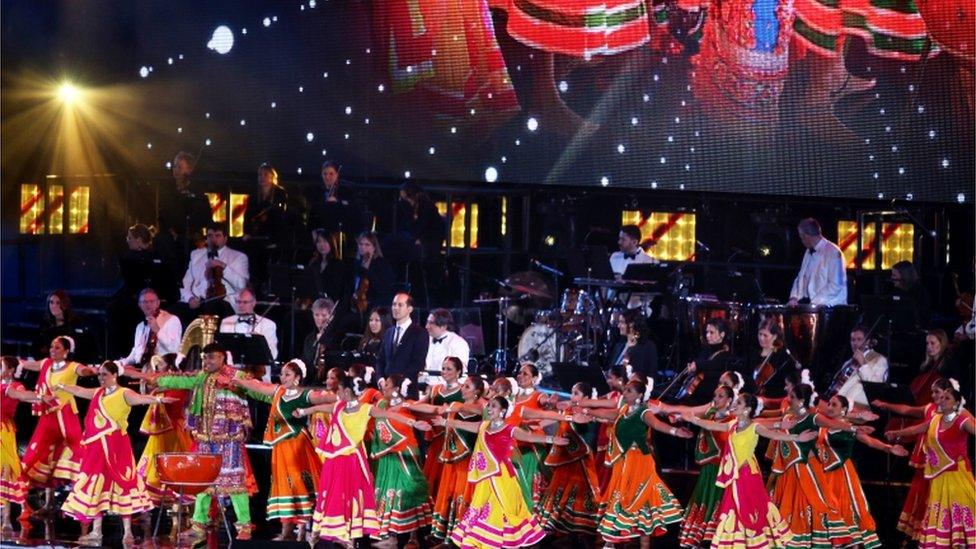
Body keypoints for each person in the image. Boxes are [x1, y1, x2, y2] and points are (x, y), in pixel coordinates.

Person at [298, 376, 431, 547]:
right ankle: (322, 532)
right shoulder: (339, 406)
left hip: (353, 461)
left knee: (353, 496)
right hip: (335, 461)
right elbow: (325, 407)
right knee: (333, 494)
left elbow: (388, 414)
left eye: (338, 390)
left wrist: (414, 423)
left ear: (346, 391)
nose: (336, 394)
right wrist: (304, 412)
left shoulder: (366, 409)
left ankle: (349, 537)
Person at [152, 342, 258, 541]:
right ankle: (198, 524)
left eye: (210, 358)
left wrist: (280, 395)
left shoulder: (238, 377)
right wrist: (158, 379)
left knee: (235, 482)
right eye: (204, 358)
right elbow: (183, 381)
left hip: (229, 439)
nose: (206, 362)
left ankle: (244, 527)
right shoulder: (202, 377)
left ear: (222, 358)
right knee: (203, 482)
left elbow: (257, 390)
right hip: (205, 438)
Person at [58, 362, 168, 544]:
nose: (101, 378)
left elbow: (140, 398)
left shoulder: (124, 393)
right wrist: (62, 386)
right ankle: (97, 531)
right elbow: (78, 390)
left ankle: (128, 533)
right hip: (96, 448)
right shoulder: (97, 393)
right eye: (100, 375)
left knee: (123, 483)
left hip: (117, 446)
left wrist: (157, 400)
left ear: (115, 375)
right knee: (97, 486)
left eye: (105, 375)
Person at [436, 396, 566, 548]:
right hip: (486, 479)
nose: (489, 408)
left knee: (503, 509)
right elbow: (461, 424)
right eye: (488, 405)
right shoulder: (483, 426)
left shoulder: (510, 429)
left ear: (503, 411)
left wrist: (552, 439)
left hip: (502, 478)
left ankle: (496, 541)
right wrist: (444, 422)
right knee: (482, 507)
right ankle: (481, 540)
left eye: (494, 406)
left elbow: (529, 437)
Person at [681, 392, 805, 548]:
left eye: (738, 403)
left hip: (747, 476)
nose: (734, 405)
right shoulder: (732, 424)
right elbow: (711, 425)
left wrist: (797, 438)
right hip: (734, 475)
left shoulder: (755, 427)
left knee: (750, 510)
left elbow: (775, 435)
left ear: (747, 409)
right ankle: (736, 544)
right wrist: (695, 420)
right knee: (731, 509)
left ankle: (754, 542)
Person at [585, 379, 692, 547]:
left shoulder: (644, 412)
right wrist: (588, 411)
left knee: (642, 502)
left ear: (639, 395)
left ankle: (637, 545)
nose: (624, 393)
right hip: (623, 463)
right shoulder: (624, 409)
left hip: (639, 463)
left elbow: (657, 424)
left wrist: (676, 431)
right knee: (618, 499)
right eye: (625, 390)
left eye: (629, 391)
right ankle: (611, 542)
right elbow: (607, 414)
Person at [233, 360, 329, 541]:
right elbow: (258, 386)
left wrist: (349, 397)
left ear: (297, 378)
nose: (283, 377)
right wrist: (237, 380)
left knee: (299, 484)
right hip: (281, 446)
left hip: (297, 446)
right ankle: (287, 531)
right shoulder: (279, 391)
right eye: (282, 374)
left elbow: (326, 398)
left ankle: (305, 530)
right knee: (284, 486)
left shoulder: (306, 395)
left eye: (288, 375)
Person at [886, 379, 975, 548]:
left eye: (947, 398)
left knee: (964, 509)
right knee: (941, 512)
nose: (941, 401)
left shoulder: (961, 420)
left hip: (957, 475)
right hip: (938, 477)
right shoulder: (936, 419)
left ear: (957, 403)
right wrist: (896, 433)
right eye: (942, 398)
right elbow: (915, 429)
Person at [18, 336, 97, 514]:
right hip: (48, 417)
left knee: (76, 453)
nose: (53, 350)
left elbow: (85, 371)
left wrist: (92, 370)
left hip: (67, 416)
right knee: (44, 454)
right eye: (52, 347)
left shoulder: (73, 366)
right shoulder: (45, 363)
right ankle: (49, 503)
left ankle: (82, 502)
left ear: (66, 351)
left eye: (58, 347)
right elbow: (25, 364)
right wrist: (11, 361)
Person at [817, 395, 908, 548]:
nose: (830, 407)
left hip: (842, 475)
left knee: (845, 509)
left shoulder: (851, 428)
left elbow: (870, 441)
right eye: (829, 404)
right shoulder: (822, 423)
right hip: (823, 472)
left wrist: (889, 448)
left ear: (844, 410)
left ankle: (852, 543)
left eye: (834, 405)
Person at [873, 378, 951, 543]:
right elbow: (907, 410)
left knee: (933, 497)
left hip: (940, 463)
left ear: (947, 392)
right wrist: (886, 405)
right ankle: (921, 535)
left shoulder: (950, 413)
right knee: (920, 495)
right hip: (924, 461)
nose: (933, 395)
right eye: (932, 392)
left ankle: (935, 534)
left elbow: (919, 428)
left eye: (936, 391)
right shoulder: (930, 408)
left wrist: (897, 433)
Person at [368, 374, 434, 545]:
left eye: (387, 384)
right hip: (387, 454)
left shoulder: (408, 405)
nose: (384, 387)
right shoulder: (381, 403)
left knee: (410, 491)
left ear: (396, 389)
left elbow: (431, 410)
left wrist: (406, 403)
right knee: (389, 491)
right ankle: (390, 537)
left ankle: (413, 537)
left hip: (406, 453)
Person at [534, 382, 601, 538]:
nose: (573, 396)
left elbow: (580, 421)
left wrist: (569, 410)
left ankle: (579, 534)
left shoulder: (588, 413)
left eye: (576, 393)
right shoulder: (568, 411)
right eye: (572, 392)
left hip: (581, 464)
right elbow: (545, 421)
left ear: (586, 397)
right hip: (565, 463)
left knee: (579, 501)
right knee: (559, 499)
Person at [106, 223, 178, 356]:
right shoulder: (128, 257)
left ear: (138, 240)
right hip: (135, 295)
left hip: (155, 296)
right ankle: (120, 354)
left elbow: (167, 280)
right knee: (114, 308)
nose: (127, 241)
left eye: (129, 238)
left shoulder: (159, 255)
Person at [133, 354, 193, 508]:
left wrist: (156, 391)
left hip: (172, 430)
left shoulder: (179, 386)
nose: (159, 367)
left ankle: (175, 503)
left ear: (171, 367)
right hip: (163, 430)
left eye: (162, 364)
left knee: (173, 467)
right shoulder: (165, 385)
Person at [402, 356, 466, 494]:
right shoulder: (435, 389)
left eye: (449, 369)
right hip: (437, 438)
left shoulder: (464, 391)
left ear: (458, 372)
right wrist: (404, 404)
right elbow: (418, 406)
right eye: (443, 368)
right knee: (434, 472)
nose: (444, 371)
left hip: (455, 439)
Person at [0, 356, 47, 533]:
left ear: (11, 370)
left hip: (3, 431)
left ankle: (6, 519)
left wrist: (40, 397)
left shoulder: (14, 386)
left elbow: (22, 395)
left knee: (6, 471)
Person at [178, 222, 249, 321]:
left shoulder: (238, 257)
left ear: (225, 238)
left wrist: (223, 266)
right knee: (174, 311)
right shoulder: (196, 255)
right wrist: (190, 298)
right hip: (198, 303)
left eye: (218, 236)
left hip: (223, 305)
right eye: (210, 236)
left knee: (213, 307)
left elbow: (242, 285)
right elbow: (186, 283)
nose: (213, 239)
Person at [156, 151, 212, 272]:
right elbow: (163, 215)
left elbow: (204, 215)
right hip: (170, 242)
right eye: (174, 166)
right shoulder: (167, 190)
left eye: (179, 167)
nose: (175, 169)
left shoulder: (197, 191)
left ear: (190, 169)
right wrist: (172, 232)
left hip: (190, 240)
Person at [242, 162, 289, 293]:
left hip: (272, 235)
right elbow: (247, 215)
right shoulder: (254, 194)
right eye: (260, 175)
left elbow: (280, 218)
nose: (262, 177)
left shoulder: (279, 193)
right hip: (256, 235)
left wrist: (277, 239)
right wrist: (246, 232)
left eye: (265, 174)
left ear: (272, 176)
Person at [115, 288, 182, 373]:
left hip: (163, 371)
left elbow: (174, 348)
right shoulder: (140, 326)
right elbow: (136, 352)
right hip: (143, 369)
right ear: (139, 305)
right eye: (145, 302)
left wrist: (157, 329)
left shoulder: (172, 320)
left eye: (152, 301)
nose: (148, 305)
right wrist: (120, 363)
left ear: (158, 303)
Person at [375, 293, 429, 396]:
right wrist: (380, 378)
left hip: (406, 391)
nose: (395, 308)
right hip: (385, 391)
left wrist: (396, 382)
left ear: (410, 309)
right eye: (394, 304)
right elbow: (380, 359)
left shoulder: (419, 333)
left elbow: (418, 362)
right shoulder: (388, 332)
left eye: (400, 305)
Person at [219, 287, 278, 380]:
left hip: (259, 378)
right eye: (238, 302)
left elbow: (273, 355)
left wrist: (259, 342)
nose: (241, 305)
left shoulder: (268, 324)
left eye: (245, 302)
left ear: (254, 303)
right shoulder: (226, 322)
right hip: (232, 377)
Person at [788, 217, 847, 307]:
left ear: (806, 236)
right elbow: (801, 277)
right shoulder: (808, 252)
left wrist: (814, 303)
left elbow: (836, 285)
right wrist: (794, 297)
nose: (802, 241)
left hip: (830, 309)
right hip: (812, 307)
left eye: (801, 237)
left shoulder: (833, 252)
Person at [826, 325, 888, 408]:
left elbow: (876, 387)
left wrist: (863, 364)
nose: (855, 343)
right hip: (837, 407)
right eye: (852, 340)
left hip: (858, 410)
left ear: (867, 341)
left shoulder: (880, 360)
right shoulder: (848, 362)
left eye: (859, 339)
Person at [307, 160, 361, 244]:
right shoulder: (317, 192)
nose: (327, 177)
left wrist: (337, 202)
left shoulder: (346, 190)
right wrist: (313, 230)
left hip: (342, 230)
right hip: (322, 231)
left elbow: (353, 208)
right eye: (325, 174)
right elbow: (313, 213)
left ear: (337, 175)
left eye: (331, 174)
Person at [348, 232, 395, 323]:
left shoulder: (382, 264)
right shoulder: (357, 263)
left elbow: (382, 288)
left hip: (374, 305)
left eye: (367, 244)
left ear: (374, 247)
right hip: (356, 304)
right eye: (361, 244)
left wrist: (367, 272)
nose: (363, 247)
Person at [32, 289, 90, 361]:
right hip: (48, 363)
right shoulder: (45, 324)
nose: (54, 306)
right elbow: (36, 348)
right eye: (51, 302)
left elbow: (81, 349)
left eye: (58, 303)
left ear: (65, 305)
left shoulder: (75, 323)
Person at [686, 318, 733, 404]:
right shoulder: (706, 349)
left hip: (708, 398)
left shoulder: (725, 355)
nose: (707, 335)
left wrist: (698, 364)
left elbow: (711, 366)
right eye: (707, 332)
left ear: (722, 334)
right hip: (698, 394)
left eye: (711, 332)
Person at [750, 318, 797, 398]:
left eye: (765, 335)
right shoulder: (754, 353)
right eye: (760, 334)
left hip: (773, 397)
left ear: (774, 336)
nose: (761, 338)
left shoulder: (782, 356)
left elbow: (785, 381)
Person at [423, 308, 470, 386]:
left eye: (431, 323)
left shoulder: (458, 343)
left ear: (443, 326)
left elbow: (460, 374)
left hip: (446, 389)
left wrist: (438, 388)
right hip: (425, 385)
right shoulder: (426, 340)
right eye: (427, 322)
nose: (426, 326)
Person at [607, 308, 658, 379]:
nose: (618, 326)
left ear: (632, 324)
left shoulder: (647, 346)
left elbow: (650, 375)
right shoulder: (619, 346)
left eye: (622, 322)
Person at [306, 229, 348, 306]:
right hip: (314, 302)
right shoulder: (313, 263)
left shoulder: (338, 264)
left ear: (331, 243)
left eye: (325, 241)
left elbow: (338, 290)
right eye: (319, 242)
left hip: (330, 304)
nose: (322, 245)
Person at [888, 260, 932, 330]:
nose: (892, 278)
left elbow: (923, 316)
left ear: (904, 276)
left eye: (894, 275)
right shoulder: (895, 292)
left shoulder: (920, 292)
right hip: (896, 331)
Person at [302, 297, 338, 383]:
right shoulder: (310, 338)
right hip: (309, 382)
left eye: (324, 315)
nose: (320, 319)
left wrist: (325, 340)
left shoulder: (337, 337)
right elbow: (306, 361)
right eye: (316, 315)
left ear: (331, 317)